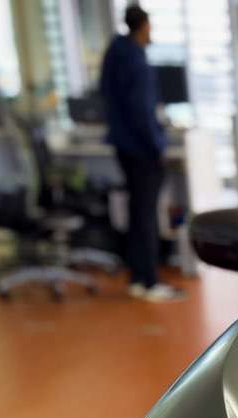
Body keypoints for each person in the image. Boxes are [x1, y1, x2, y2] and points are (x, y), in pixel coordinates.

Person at [100, 5, 179, 301]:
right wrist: (157, 147)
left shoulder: (115, 53)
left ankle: (137, 278)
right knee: (146, 215)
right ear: (144, 26)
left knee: (137, 213)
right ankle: (149, 282)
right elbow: (143, 111)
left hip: (123, 145)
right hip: (141, 148)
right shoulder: (135, 60)